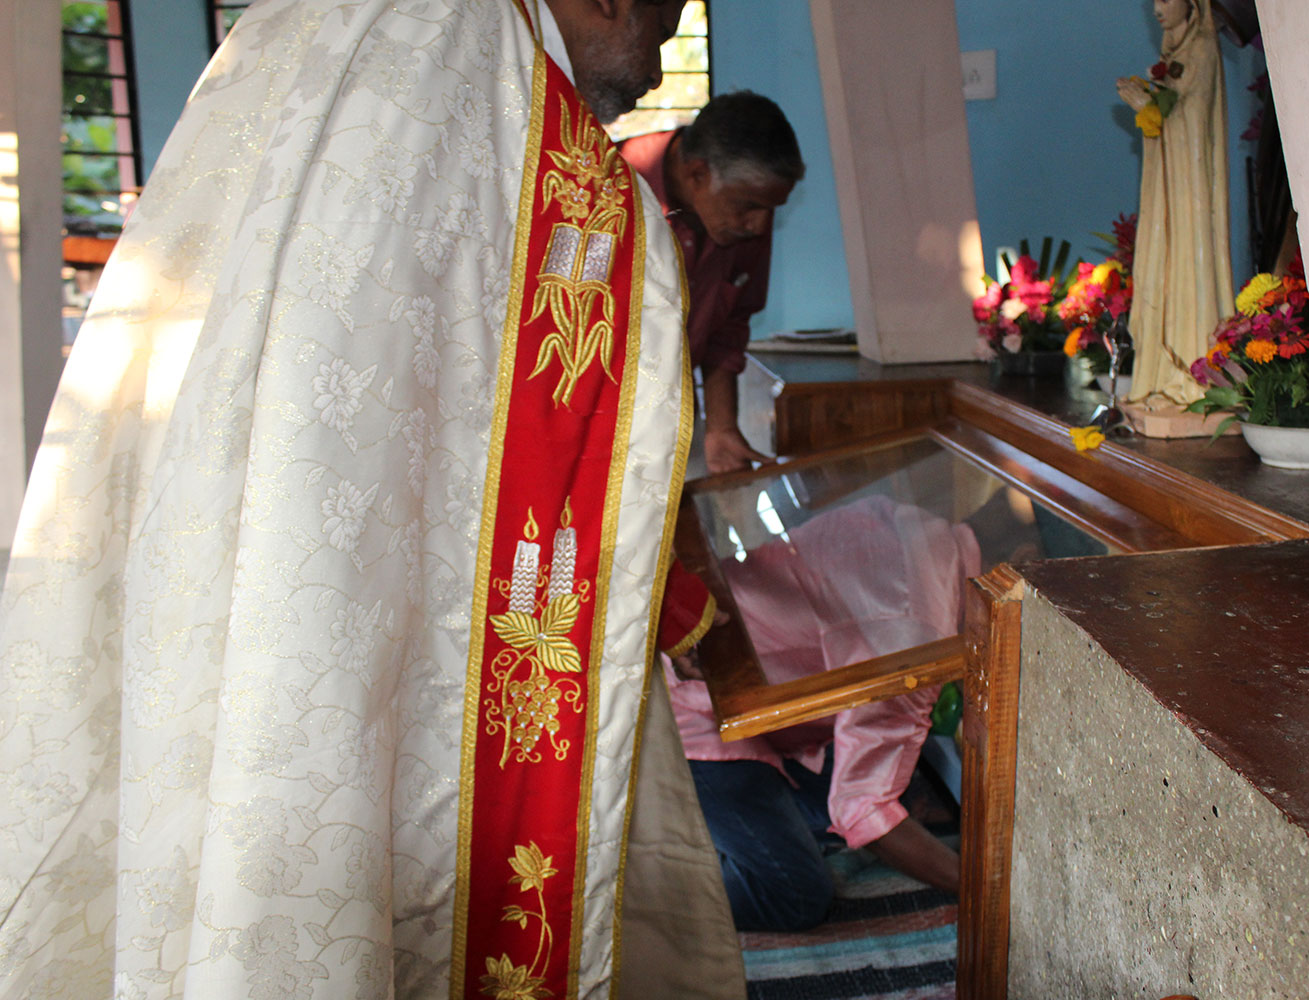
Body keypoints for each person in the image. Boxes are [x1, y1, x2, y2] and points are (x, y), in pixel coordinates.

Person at [0, 1, 744, 998]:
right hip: (332, 604)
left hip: (254, 554)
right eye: (666, 13)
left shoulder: (316, 29)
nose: (661, 50)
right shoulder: (460, 56)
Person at [666, 496, 972, 931]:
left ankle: (720, 817)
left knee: (891, 796)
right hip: (692, 714)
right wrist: (980, 888)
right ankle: (651, 888)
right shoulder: (919, 644)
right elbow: (862, 809)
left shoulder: (918, 520)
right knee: (797, 896)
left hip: (720, 674)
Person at [619, 91, 804, 474]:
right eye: (750, 206)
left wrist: (720, 428)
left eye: (771, 210)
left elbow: (728, 329)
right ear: (698, 174)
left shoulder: (744, 224)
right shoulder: (610, 189)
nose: (760, 225)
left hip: (672, 428)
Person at [1117, 0, 1235, 409]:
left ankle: (1190, 379)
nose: (1156, 9)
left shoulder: (1201, 51)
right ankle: (1163, 376)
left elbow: (1192, 125)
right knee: (1163, 269)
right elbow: (1170, 114)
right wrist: (1148, 105)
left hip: (1190, 196)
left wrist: (1147, 108)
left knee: (1188, 267)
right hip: (1171, 192)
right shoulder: (1173, 56)